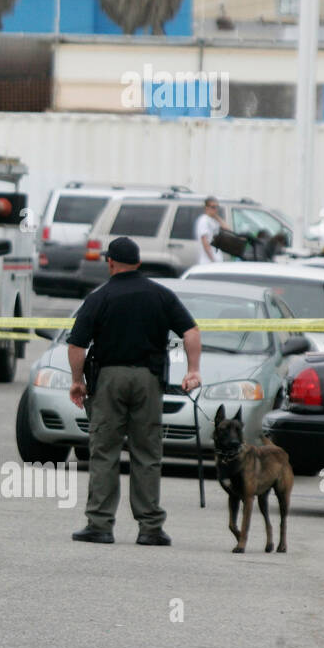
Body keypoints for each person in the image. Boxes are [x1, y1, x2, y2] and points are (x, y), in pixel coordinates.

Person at [67, 236, 202, 546]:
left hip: (108, 379)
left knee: (104, 450)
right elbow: (191, 331)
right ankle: (150, 527)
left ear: (110, 262)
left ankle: (100, 525)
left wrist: (78, 381)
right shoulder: (161, 295)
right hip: (148, 378)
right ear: (139, 263)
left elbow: (77, 344)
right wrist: (193, 370)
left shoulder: (99, 297)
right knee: (147, 452)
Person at [195, 196, 229, 265]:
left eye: (217, 207)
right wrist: (212, 260)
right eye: (213, 207)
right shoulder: (204, 220)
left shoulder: (214, 220)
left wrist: (217, 217)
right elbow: (205, 242)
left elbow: (228, 230)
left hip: (217, 258)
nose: (215, 209)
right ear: (206, 208)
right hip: (207, 261)